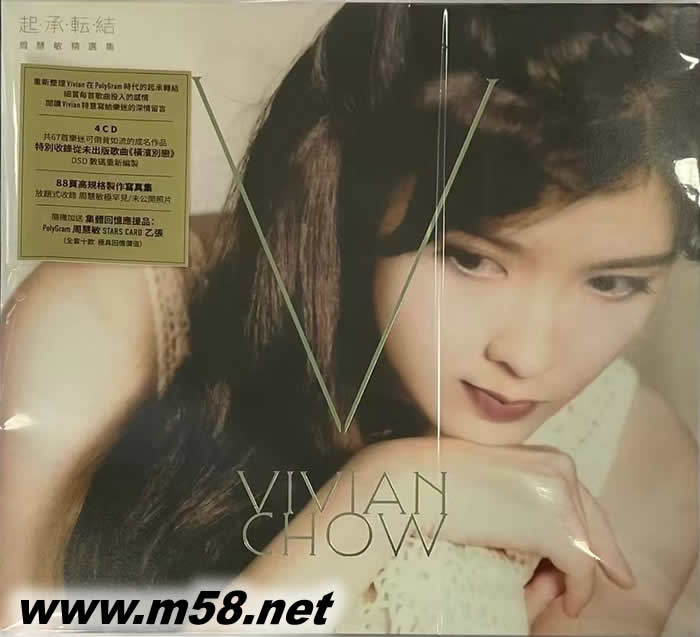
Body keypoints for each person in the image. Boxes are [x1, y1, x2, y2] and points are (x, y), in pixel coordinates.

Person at [0, 3, 698, 634]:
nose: (529, 356)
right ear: (361, 188)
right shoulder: (114, 311)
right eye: (470, 259)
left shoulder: (639, 462)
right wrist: (380, 503)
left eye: (613, 282)